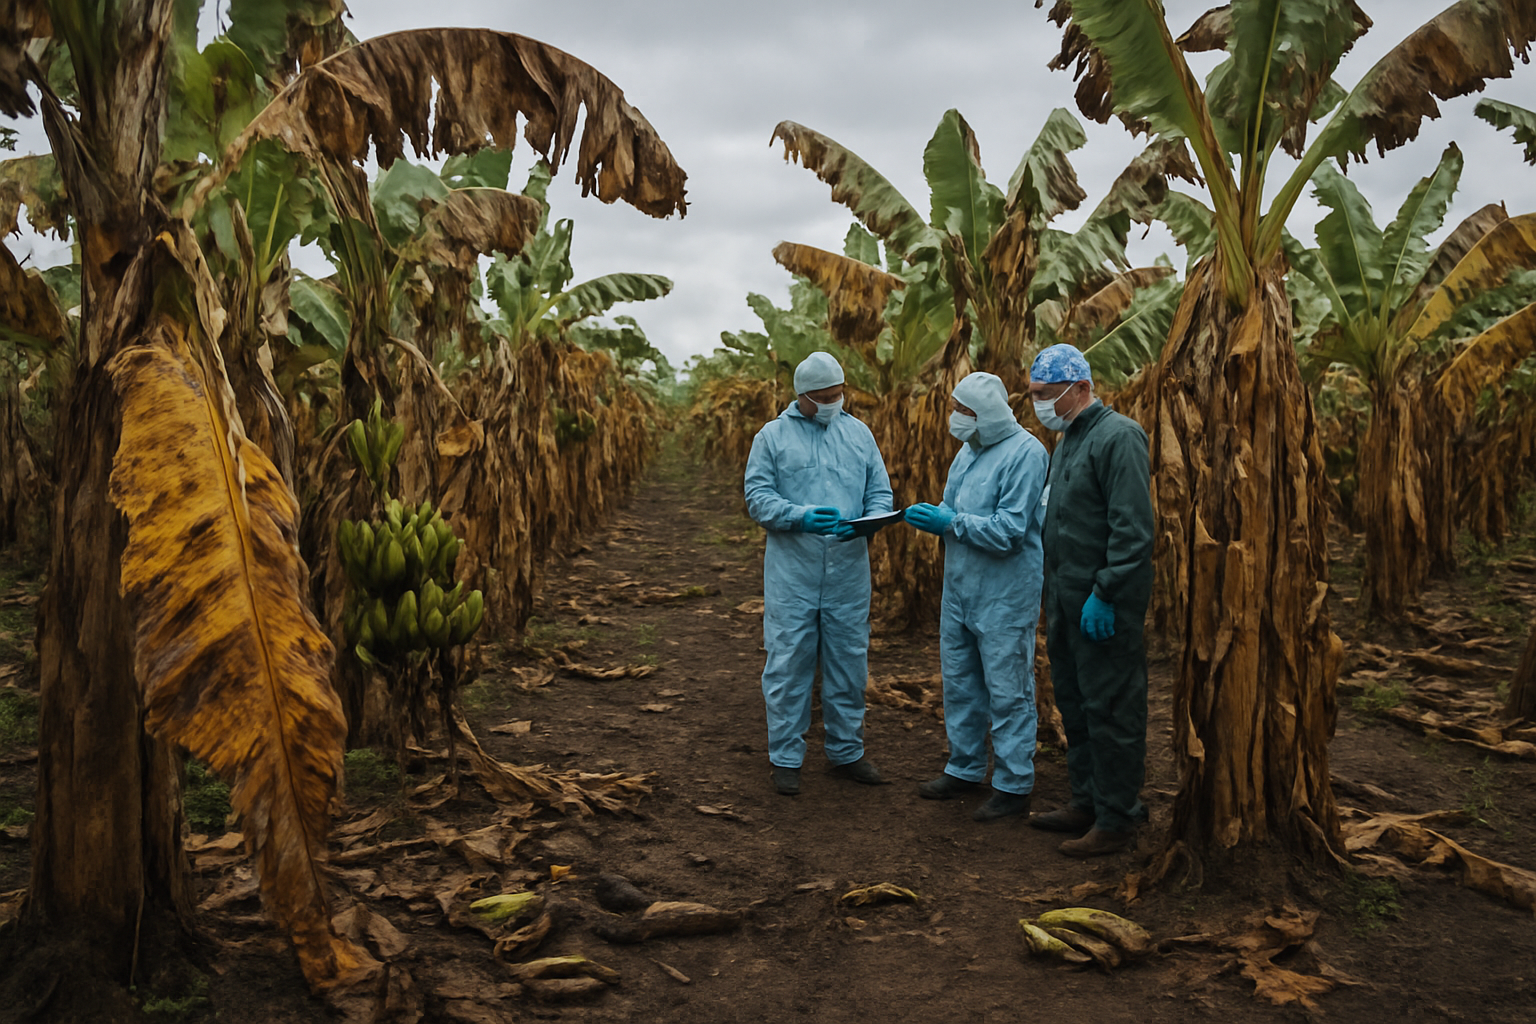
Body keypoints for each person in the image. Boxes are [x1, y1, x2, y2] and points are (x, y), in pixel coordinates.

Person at [744, 351, 895, 796]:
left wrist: (871, 520)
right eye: (825, 397)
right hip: (794, 571)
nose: (835, 402)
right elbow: (757, 497)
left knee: (849, 660)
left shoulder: (859, 434)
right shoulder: (772, 437)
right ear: (803, 396)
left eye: (839, 394)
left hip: (849, 571)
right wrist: (800, 516)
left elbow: (879, 490)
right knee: (789, 660)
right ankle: (786, 756)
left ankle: (846, 752)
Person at [1026, 343, 1154, 857]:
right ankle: (1087, 800)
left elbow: (1133, 528)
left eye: (1045, 394)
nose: (1038, 403)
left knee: (1111, 707)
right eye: (1034, 393)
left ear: (1080, 388)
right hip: (1064, 596)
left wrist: (1106, 591)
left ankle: (1118, 816)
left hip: (1103, 602)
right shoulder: (1068, 441)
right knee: (1075, 704)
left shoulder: (1118, 437)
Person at [905, 371, 1048, 822]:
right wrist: (937, 515)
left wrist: (949, 524)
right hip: (961, 588)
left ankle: (1013, 782)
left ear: (983, 414)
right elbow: (953, 507)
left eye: (962, 410)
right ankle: (963, 768)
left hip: (1006, 593)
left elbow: (1010, 530)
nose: (954, 418)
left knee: (1008, 689)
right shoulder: (967, 453)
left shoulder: (1027, 453)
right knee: (962, 683)